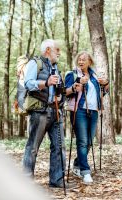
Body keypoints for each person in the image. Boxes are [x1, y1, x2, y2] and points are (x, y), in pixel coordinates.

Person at [22, 39, 75, 189]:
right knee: (32, 147)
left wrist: (70, 90)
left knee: (59, 147)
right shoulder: (35, 63)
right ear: (47, 50)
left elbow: (60, 91)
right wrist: (46, 82)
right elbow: (28, 83)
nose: (59, 53)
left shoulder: (56, 68)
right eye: (56, 50)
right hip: (40, 112)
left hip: (56, 111)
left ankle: (57, 180)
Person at [65, 51, 109, 184]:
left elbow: (103, 92)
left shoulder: (94, 75)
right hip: (79, 110)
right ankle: (86, 172)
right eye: (79, 59)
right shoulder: (71, 74)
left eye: (84, 59)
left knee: (89, 142)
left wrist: (106, 84)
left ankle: (77, 164)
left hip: (94, 111)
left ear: (90, 61)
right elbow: (65, 92)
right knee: (82, 142)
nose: (81, 61)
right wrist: (78, 84)